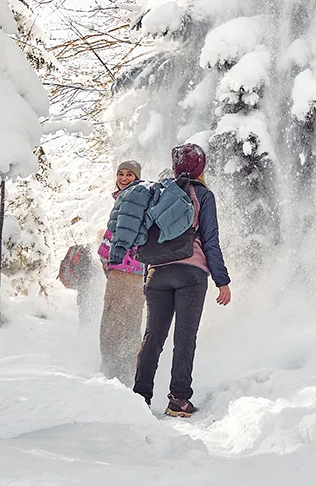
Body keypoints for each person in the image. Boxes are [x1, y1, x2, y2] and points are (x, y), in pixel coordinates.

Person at [133, 144, 231, 417]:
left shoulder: (161, 192)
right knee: (184, 337)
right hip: (191, 273)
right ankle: (179, 399)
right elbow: (210, 239)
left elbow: (148, 237)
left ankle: (140, 396)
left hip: (157, 273)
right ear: (200, 167)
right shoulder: (203, 195)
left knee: (153, 336)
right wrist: (222, 280)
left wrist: (148, 276)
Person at [97, 160, 145, 387]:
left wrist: (105, 255)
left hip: (124, 269)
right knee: (130, 323)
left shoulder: (130, 198)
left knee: (112, 322)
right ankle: (129, 371)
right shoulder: (139, 197)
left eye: (129, 174)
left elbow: (119, 232)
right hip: (137, 271)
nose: (124, 178)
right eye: (121, 174)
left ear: (137, 177)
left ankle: (112, 371)